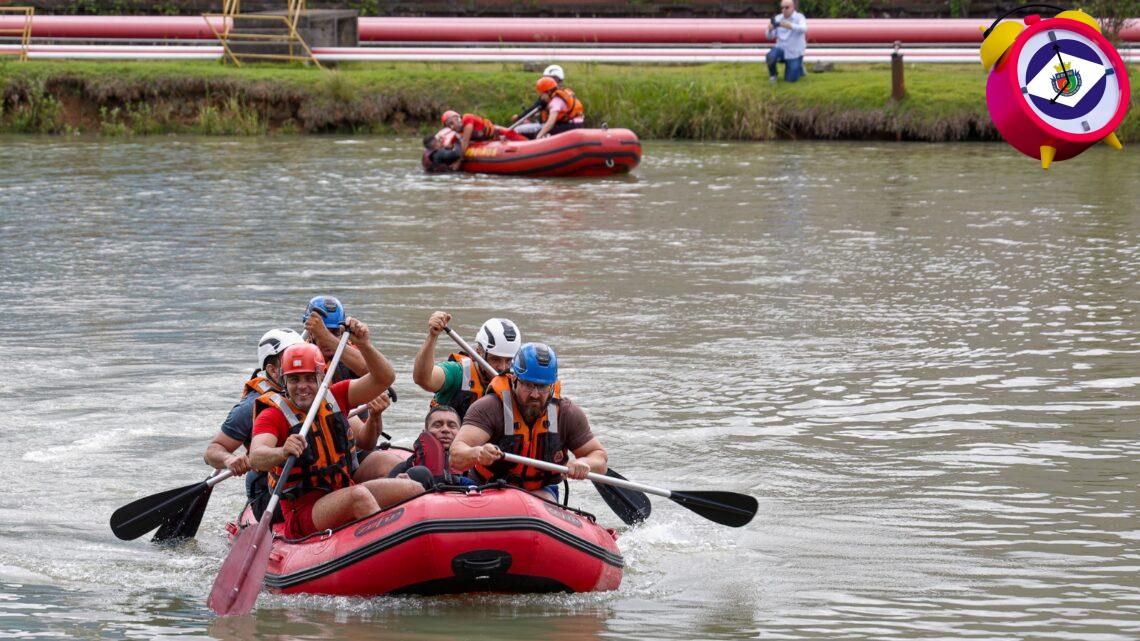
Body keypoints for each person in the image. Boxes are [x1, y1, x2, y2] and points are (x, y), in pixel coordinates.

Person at [250, 319, 424, 538]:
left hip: (341, 490)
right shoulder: (273, 414)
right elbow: (256, 456)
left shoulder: (335, 396)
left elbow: (385, 378)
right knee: (358, 496)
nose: (302, 386)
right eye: (294, 380)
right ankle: (392, 551)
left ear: (321, 377)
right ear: (284, 381)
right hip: (303, 511)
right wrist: (282, 452)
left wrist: (364, 345)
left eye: (309, 378)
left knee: (413, 488)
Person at [449, 342, 608, 501]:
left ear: (552, 386)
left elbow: (600, 458)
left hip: (540, 491)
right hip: (487, 487)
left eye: (542, 387)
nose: (535, 394)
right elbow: (456, 455)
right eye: (528, 385)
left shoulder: (566, 413)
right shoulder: (489, 408)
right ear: (514, 380)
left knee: (544, 501)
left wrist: (584, 463)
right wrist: (477, 453)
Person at [204, 328, 303, 513]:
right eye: (290, 360)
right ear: (273, 370)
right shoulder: (251, 407)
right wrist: (229, 459)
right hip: (268, 490)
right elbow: (211, 451)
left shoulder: (311, 392)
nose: (299, 364)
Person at [412, 311, 522, 421]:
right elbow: (423, 379)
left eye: (509, 360)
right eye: (495, 359)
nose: (503, 367)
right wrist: (433, 336)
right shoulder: (457, 373)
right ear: (478, 353)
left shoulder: (519, 383)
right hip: (450, 436)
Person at [386, 405, 474, 487]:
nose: (445, 429)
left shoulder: (472, 466)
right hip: (420, 497)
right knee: (419, 473)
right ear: (425, 431)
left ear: (460, 432)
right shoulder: (406, 468)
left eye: (452, 426)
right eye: (437, 425)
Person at [302, 295, 365, 383]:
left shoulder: (351, 350)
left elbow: (373, 372)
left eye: (335, 332)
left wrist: (364, 343)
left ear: (342, 331)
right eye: (321, 332)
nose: (327, 342)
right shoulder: (300, 352)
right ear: (310, 333)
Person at [440, 110, 527, 169]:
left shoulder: (467, 119)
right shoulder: (459, 133)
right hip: (493, 141)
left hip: (502, 134)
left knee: (526, 143)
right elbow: (453, 143)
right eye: (449, 126)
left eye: (452, 123)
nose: (452, 127)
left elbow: (465, 140)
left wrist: (459, 161)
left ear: (457, 118)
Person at [765, 0, 807, 84]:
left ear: (793, 8)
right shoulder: (778, 18)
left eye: (787, 7)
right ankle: (773, 75)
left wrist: (790, 25)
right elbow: (769, 37)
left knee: (790, 80)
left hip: (794, 52)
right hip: (781, 48)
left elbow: (804, 29)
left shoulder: (799, 17)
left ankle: (799, 66)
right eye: (782, 8)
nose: (784, 10)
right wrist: (769, 30)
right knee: (770, 56)